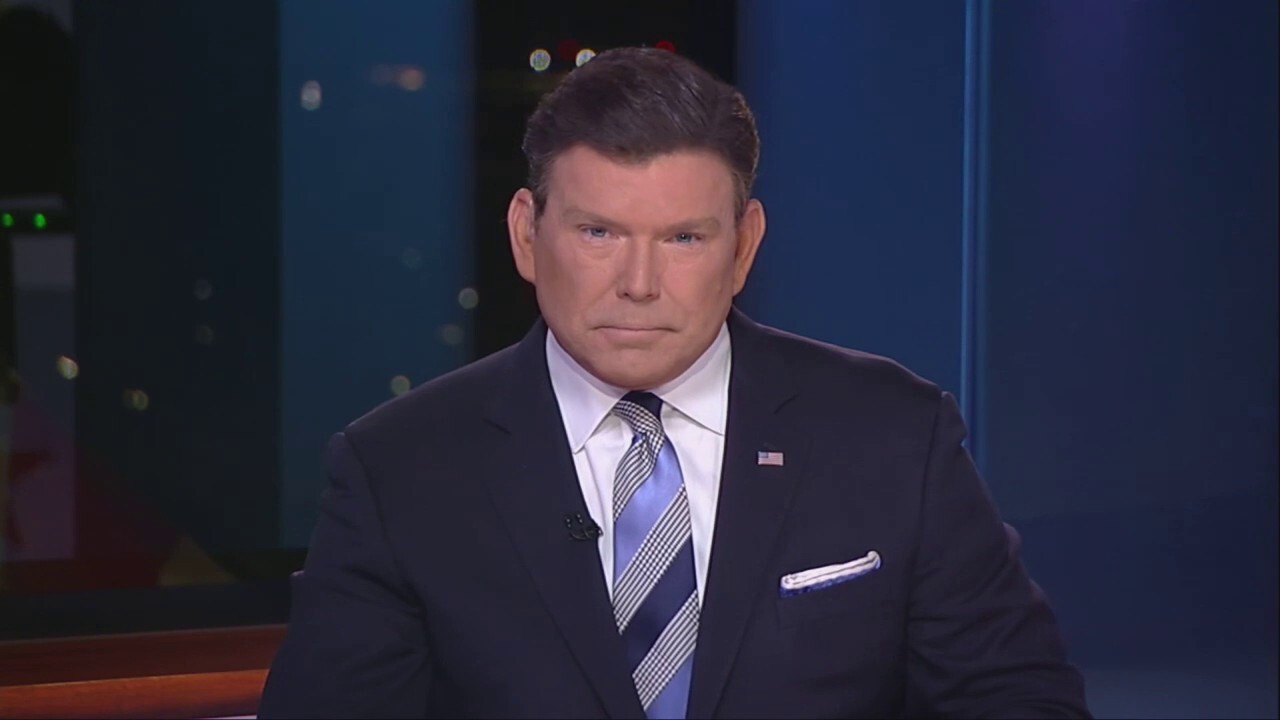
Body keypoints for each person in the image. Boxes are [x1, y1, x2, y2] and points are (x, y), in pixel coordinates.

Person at [260, 47, 1090, 719]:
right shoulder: (399, 469)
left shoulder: (893, 434)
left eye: (684, 239)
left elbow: (1019, 701)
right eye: (598, 232)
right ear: (526, 234)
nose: (639, 284)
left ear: (744, 245)